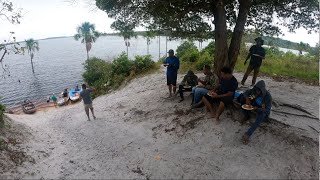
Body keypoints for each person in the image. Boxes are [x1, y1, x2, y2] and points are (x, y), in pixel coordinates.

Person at [239, 80, 272, 145]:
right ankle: (246, 116)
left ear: (262, 90)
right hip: (254, 105)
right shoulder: (254, 90)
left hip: (262, 109)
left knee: (261, 115)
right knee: (241, 98)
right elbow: (245, 93)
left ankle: (248, 134)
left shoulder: (268, 96)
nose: (257, 92)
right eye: (256, 90)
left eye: (259, 91)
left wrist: (258, 109)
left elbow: (267, 110)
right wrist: (247, 99)